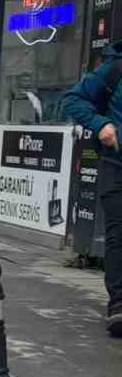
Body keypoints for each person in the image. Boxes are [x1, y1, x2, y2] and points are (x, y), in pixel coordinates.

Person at [60, 50, 122, 334]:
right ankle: (119, 305)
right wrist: (101, 125)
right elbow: (73, 99)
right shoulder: (115, 68)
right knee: (118, 234)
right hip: (116, 166)